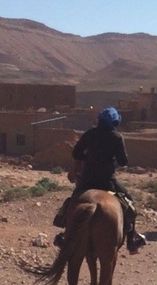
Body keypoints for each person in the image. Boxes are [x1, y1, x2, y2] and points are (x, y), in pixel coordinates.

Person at [53, 107, 147, 254]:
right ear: (115, 121)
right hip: (107, 181)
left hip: (88, 180)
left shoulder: (89, 134)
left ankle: (65, 235)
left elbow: (76, 152)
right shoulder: (117, 137)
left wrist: (89, 159)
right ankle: (131, 242)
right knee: (129, 202)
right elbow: (123, 161)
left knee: (72, 202)